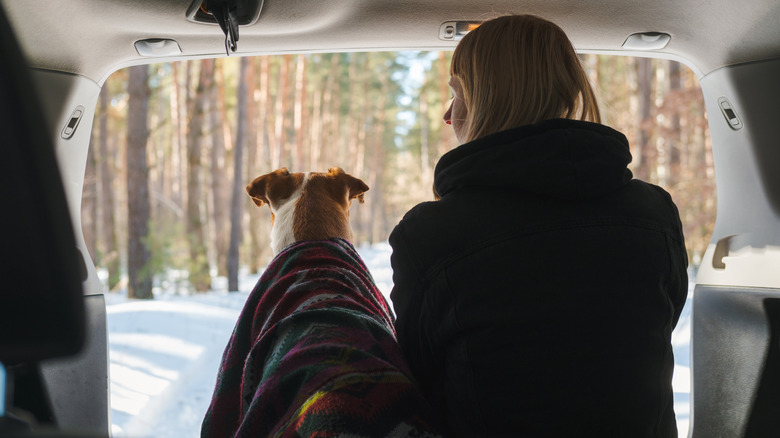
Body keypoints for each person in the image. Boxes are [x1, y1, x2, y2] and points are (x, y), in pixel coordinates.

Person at [389, 14, 688, 437]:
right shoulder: (654, 212)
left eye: (457, 93)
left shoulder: (429, 235)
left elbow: (416, 378)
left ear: (488, 99)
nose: (447, 115)